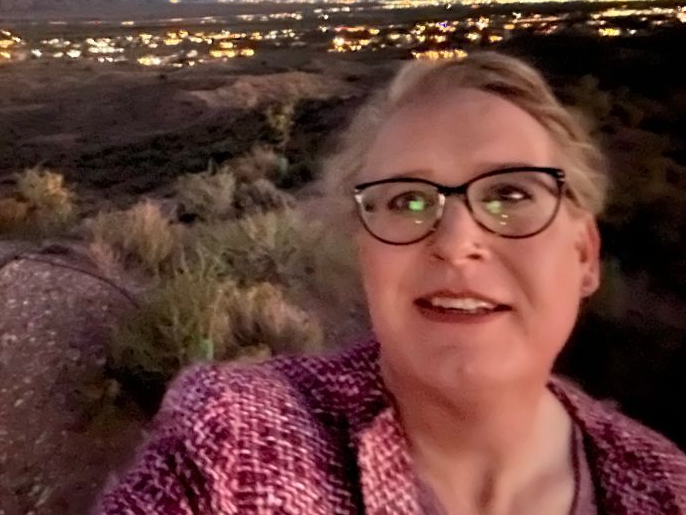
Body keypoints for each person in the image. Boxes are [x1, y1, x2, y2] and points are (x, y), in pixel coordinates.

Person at [95, 52, 686, 514]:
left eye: (511, 194)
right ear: (364, 253)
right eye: (406, 200)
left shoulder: (667, 488)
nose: (456, 241)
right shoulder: (235, 437)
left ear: (584, 255)